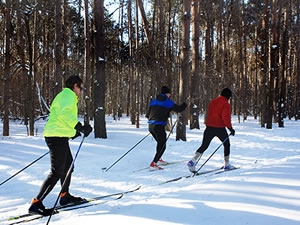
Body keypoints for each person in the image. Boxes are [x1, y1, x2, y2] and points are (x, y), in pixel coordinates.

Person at [28, 76, 93, 216]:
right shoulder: (68, 95)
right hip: (55, 137)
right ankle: (36, 204)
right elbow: (64, 115)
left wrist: (74, 132)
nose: (81, 91)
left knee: (68, 166)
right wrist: (79, 127)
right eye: (80, 88)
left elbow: (60, 117)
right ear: (75, 86)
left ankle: (64, 196)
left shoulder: (66, 96)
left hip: (59, 136)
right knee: (57, 171)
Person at [187, 88, 235, 173]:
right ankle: (226, 164)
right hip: (220, 128)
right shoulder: (225, 104)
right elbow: (225, 118)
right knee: (227, 144)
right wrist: (230, 129)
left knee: (204, 145)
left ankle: (193, 161)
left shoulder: (213, 101)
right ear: (228, 96)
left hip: (209, 127)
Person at [146, 86, 187, 170]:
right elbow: (179, 109)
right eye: (169, 94)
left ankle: (159, 159)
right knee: (163, 145)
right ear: (167, 94)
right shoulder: (167, 102)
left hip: (151, 126)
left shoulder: (153, 101)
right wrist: (185, 104)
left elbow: (147, 115)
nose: (170, 95)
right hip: (159, 126)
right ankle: (154, 163)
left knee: (160, 143)